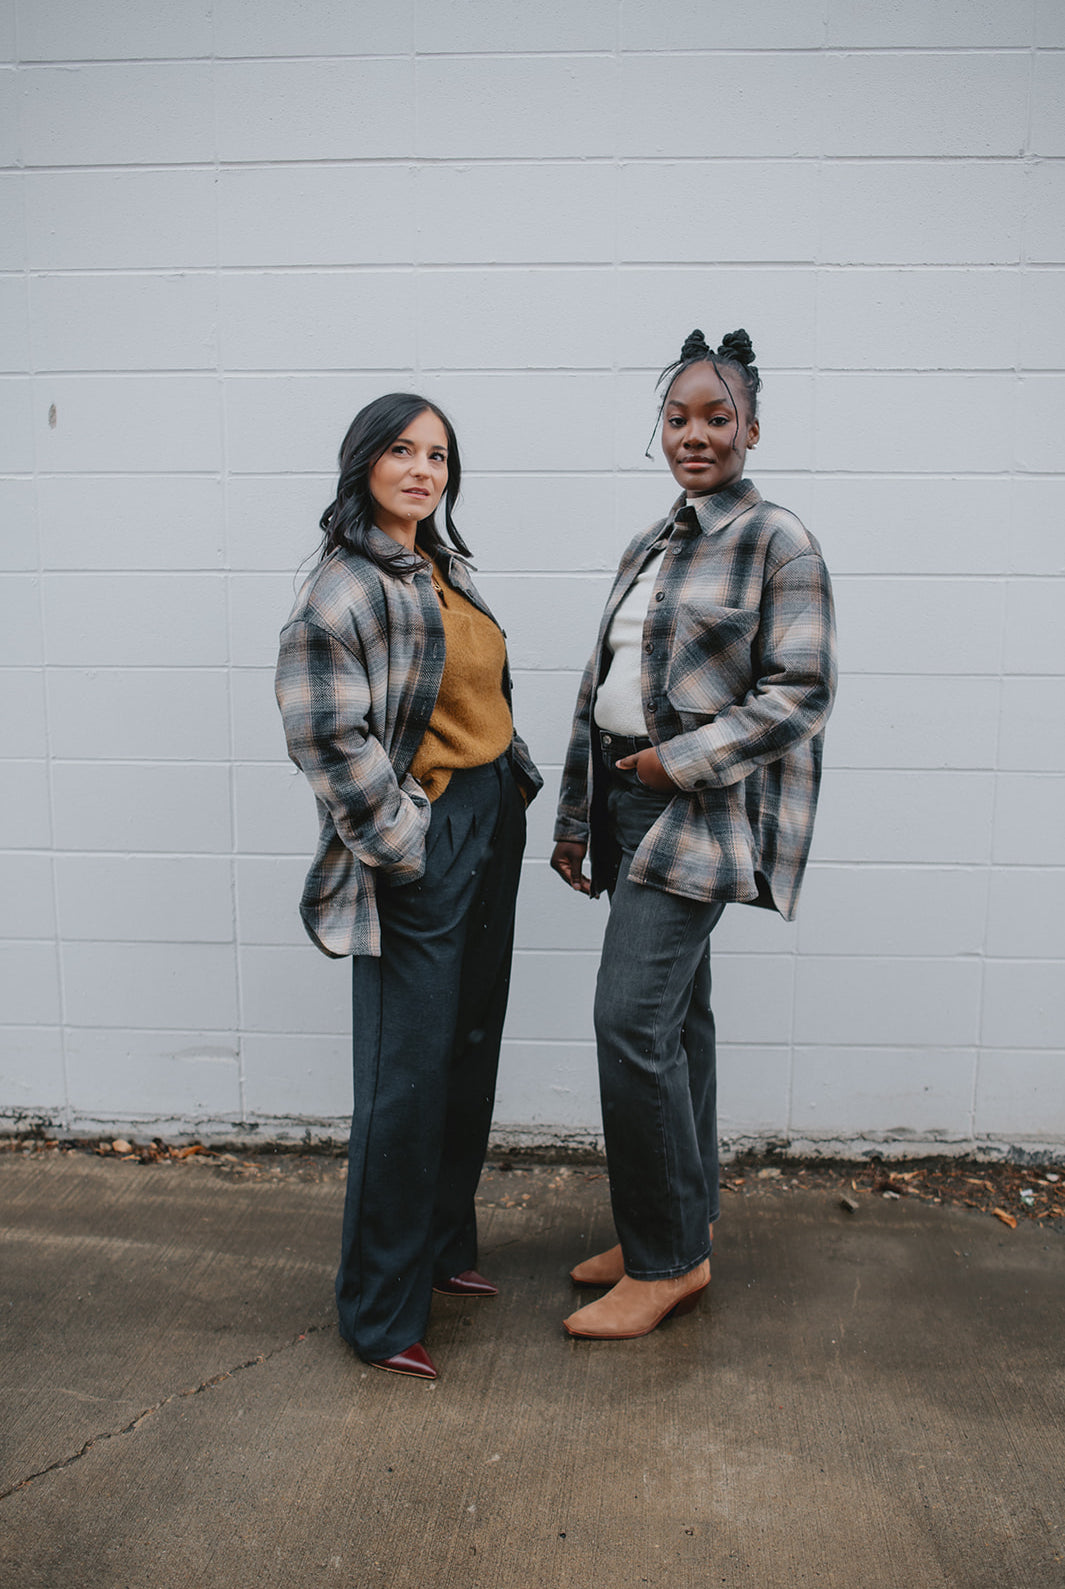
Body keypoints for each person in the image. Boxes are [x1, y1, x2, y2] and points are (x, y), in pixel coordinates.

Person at [551, 329, 836, 1341]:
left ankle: (667, 1260)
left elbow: (800, 692)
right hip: (627, 798)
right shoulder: (652, 542)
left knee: (629, 1021)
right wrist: (580, 816)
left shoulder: (778, 542)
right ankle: (675, 1221)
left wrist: (677, 763)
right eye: (677, 418)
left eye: (718, 417)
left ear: (753, 428)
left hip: (695, 810)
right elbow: (600, 687)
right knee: (675, 1022)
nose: (695, 435)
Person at [275, 393, 541, 1380]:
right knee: (407, 1073)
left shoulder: (441, 565)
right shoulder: (340, 589)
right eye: (402, 450)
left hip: (489, 817)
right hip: (424, 836)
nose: (423, 469)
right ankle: (380, 1312)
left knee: (467, 1044)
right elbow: (323, 731)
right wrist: (401, 840)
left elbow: (477, 691)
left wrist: (511, 776)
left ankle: (439, 1247)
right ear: (365, 463)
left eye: (437, 454)